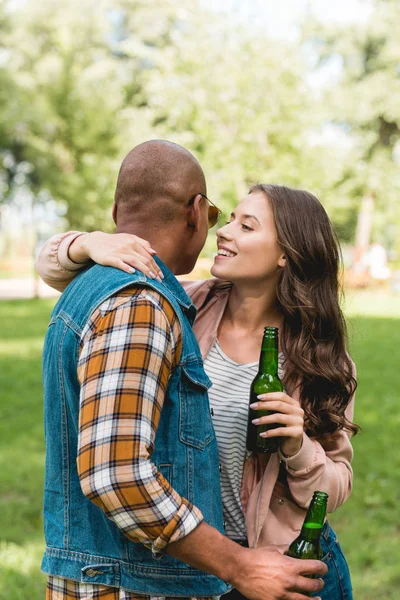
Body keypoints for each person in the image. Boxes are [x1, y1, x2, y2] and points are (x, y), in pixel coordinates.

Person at [37, 140, 327, 600]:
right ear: (195, 212)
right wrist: (84, 242)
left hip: (228, 562)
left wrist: (299, 446)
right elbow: (116, 470)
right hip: (136, 579)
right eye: (219, 217)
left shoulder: (316, 352)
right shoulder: (149, 304)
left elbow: (336, 476)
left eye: (243, 224)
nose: (222, 232)